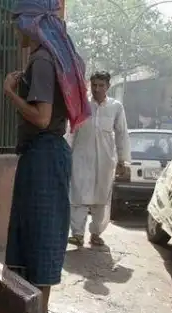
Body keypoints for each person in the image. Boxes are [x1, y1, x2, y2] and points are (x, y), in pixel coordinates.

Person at [2, 0, 91, 313]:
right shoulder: (52, 57)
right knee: (37, 231)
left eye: (18, 23)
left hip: (43, 154)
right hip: (47, 154)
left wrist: (10, 93)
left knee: (40, 233)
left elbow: (41, 117)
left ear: (31, 23)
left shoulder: (41, 60)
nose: (15, 31)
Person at [68, 71, 131, 247]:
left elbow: (122, 134)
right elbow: (71, 132)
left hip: (105, 161)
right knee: (78, 195)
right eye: (94, 85)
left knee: (101, 198)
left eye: (101, 85)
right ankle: (77, 234)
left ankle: (96, 234)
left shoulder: (116, 107)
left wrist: (123, 160)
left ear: (108, 86)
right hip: (81, 157)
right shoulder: (82, 105)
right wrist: (67, 154)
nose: (97, 89)